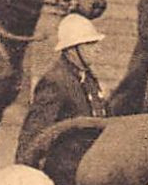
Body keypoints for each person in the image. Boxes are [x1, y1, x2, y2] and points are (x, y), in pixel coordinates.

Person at [15, 14, 108, 162]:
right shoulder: (55, 81)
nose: (97, 49)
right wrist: (24, 172)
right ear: (72, 50)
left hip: (89, 164)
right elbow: (33, 135)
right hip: (65, 170)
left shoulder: (88, 78)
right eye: (89, 44)